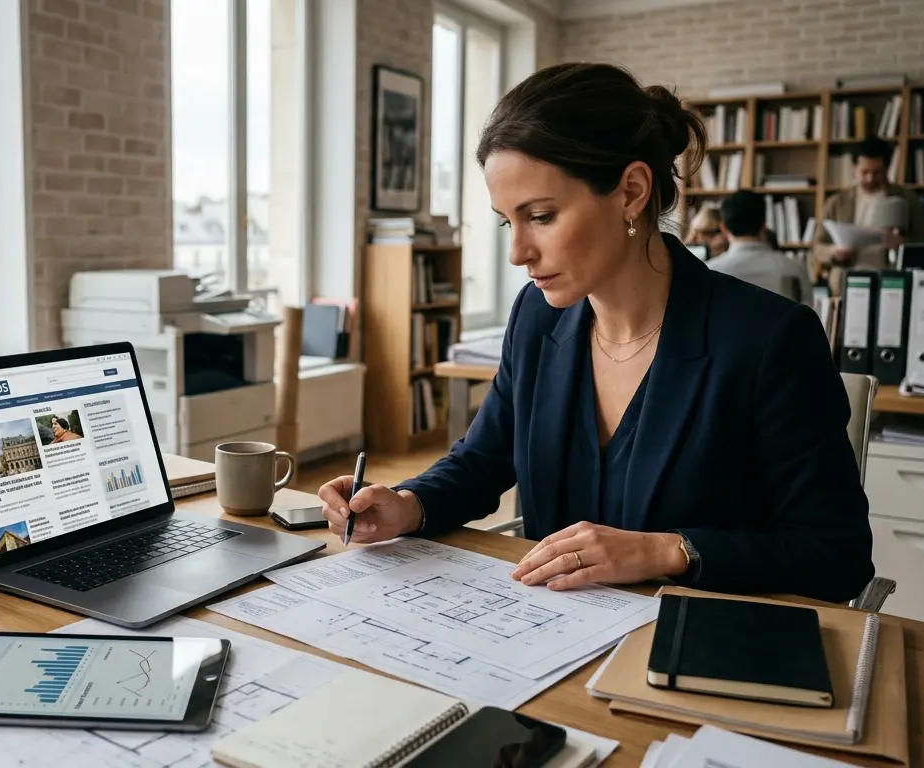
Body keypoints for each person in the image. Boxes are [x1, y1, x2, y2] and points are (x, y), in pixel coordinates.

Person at [318, 62, 872, 604]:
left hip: (685, 656)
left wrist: (668, 552)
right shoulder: (538, 317)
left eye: (541, 216)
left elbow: (836, 557)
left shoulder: (769, 340)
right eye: (508, 221)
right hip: (544, 647)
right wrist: (408, 503)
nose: (518, 253)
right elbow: (482, 461)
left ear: (631, 191)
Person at [813, 137, 924, 292]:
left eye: (877, 173)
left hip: (892, 280)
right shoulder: (836, 202)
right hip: (846, 280)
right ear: (854, 168)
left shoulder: (907, 199)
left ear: (887, 168)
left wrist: (901, 244)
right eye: (864, 172)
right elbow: (817, 247)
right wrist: (833, 252)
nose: (870, 179)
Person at [708, 191, 813, 305]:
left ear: (723, 229)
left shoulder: (709, 272)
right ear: (764, 225)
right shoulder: (796, 268)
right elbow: (808, 317)